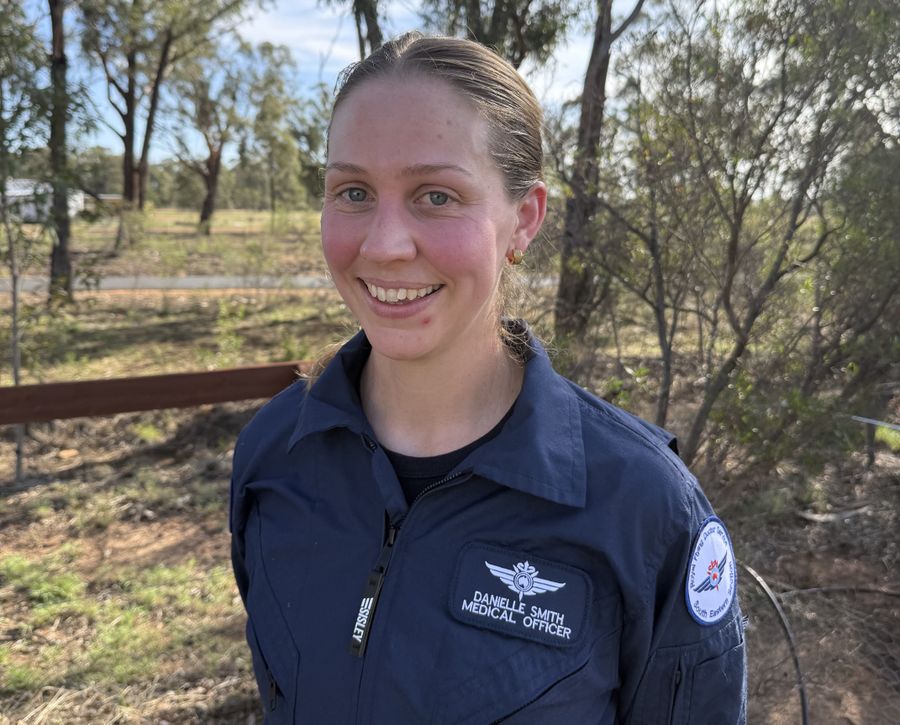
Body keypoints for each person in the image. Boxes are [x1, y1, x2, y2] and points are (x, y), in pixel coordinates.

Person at [230, 32, 746, 724]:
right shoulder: (274, 453)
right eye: (353, 191)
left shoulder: (644, 508)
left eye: (436, 196)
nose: (383, 244)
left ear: (523, 220)